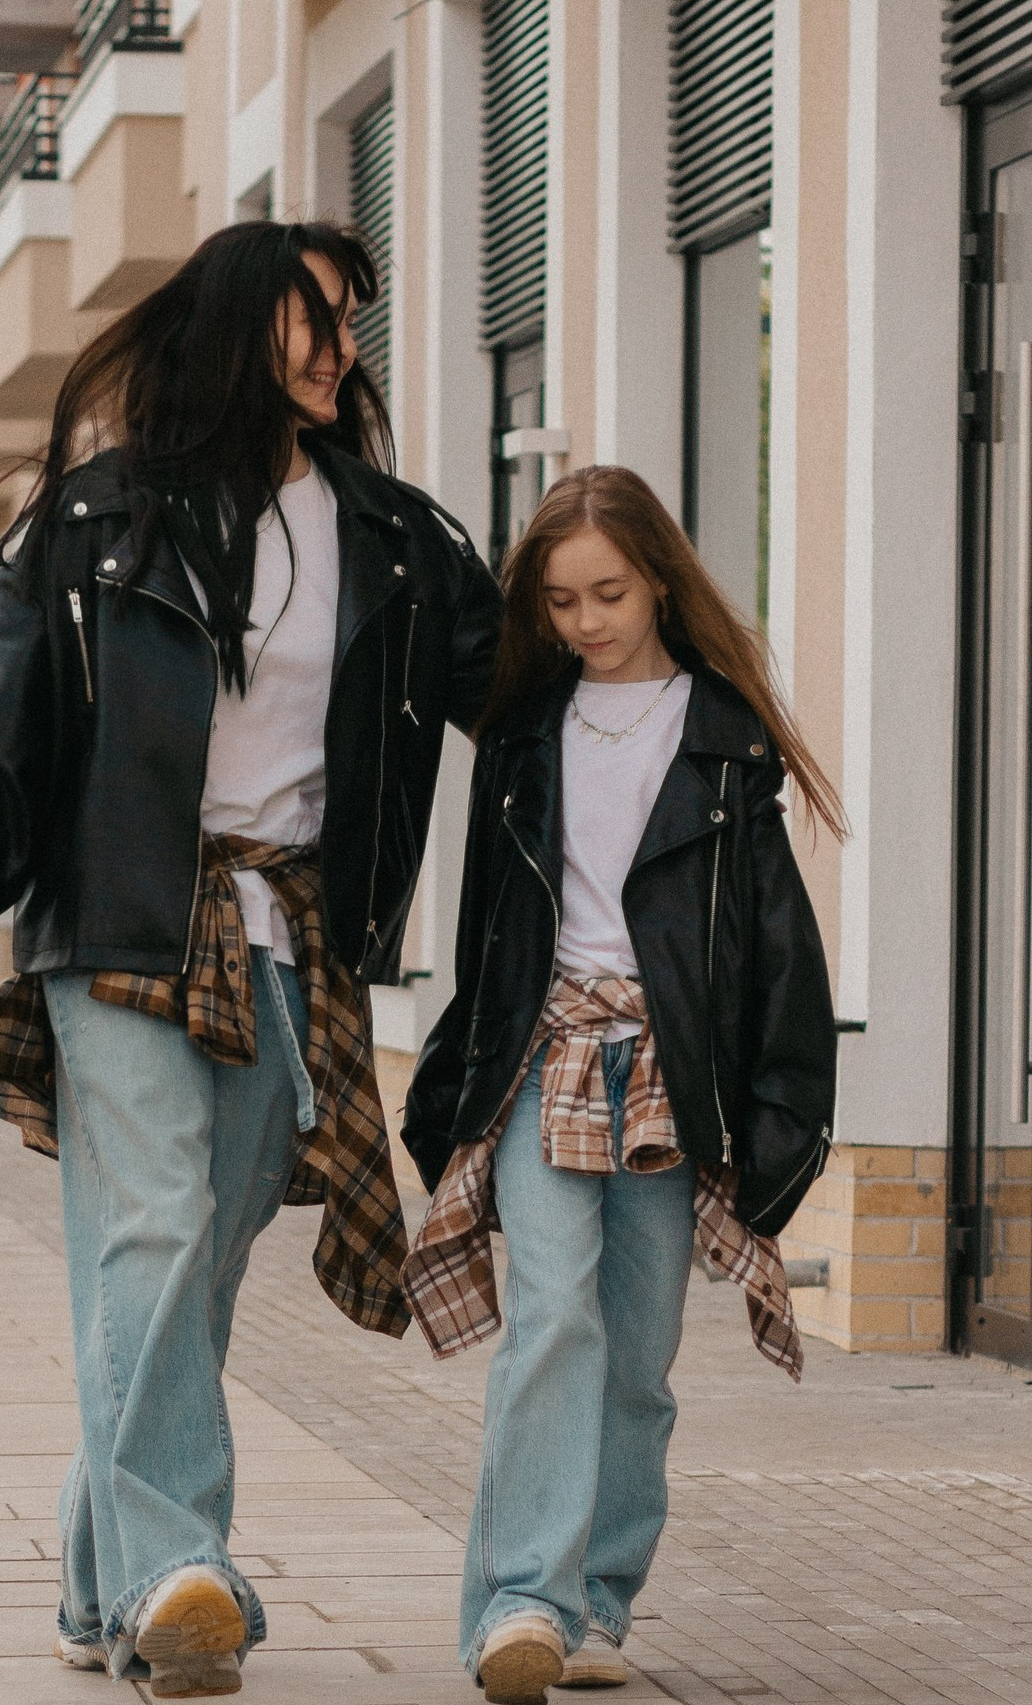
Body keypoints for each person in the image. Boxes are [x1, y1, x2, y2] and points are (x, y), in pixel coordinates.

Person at [0, 220, 503, 1697]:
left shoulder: (395, 537)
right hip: (122, 925)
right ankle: (181, 1567)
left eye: (352, 318)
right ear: (237, 328)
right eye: (314, 318)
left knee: (193, 1270)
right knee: (149, 1232)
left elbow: (519, 697)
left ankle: (108, 1590)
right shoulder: (94, 521)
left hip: (293, 941)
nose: (341, 346)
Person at [400, 466, 842, 1705]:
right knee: (554, 1316)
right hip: (545, 1055)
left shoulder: (722, 734)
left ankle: (595, 1599)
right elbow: (494, 915)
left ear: (657, 577)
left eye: (606, 591)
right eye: (557, 600)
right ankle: (518, 1604)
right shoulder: (523, 732)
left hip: (673, 1075)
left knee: (639, 1355)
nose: (586, 619)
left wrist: (780, 1114)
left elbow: (771, 938)